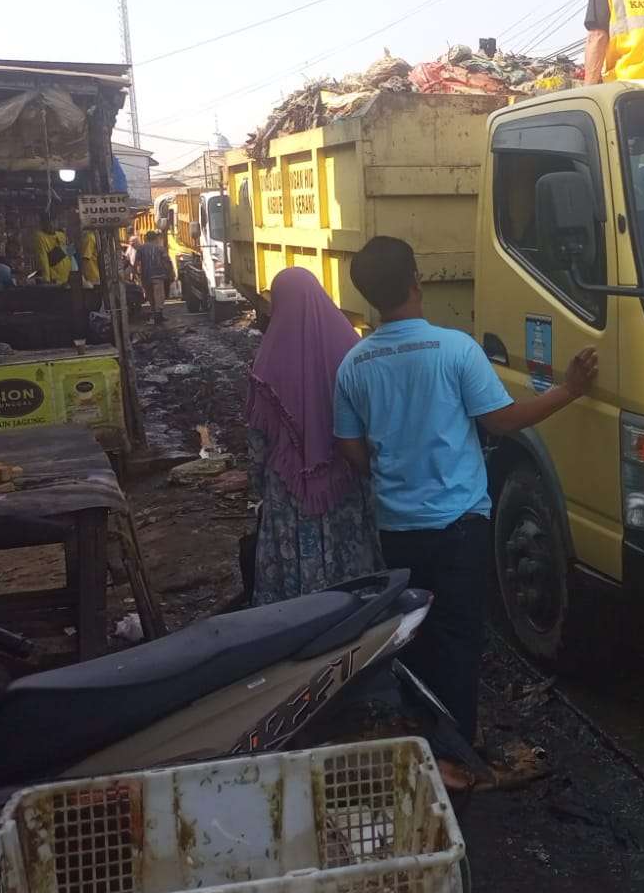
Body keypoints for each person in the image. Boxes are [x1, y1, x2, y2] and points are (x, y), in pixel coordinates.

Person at [334, 236, 597, 785]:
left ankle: (426, 738)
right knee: (458, 635)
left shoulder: (355, 364)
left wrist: (394, 474)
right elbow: (502, 421)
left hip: (396, 526)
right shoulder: (455, 350)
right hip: (458, 525)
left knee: (412, 633)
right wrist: (570, 389)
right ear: (415, 283)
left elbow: (353, 451)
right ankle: (454, 757)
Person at [245, 268, 381, 606]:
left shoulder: (266, 364)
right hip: (346, 480)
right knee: (354, 562)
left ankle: (300, 623)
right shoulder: (351, 351)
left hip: (288, 494)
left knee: (292, 583)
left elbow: (258, 443)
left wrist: (259, 486)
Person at [135, 231, 175, 323]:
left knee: (150, 295)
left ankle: (154, 312)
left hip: (146, 276)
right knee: (159, 294)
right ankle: (158, 313)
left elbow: (136, 263)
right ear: (155, 238)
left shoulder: (140, 249)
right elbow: (167, 261)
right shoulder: (160, 248)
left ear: (145, 238)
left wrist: (136, 273)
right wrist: (171, 273)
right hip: (158, 275)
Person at [32, 213, 71, 285]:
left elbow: (70, 253)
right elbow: (43, 258)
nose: (51, 225)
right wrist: (46, 279)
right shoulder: (40, 236)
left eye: (54, 222)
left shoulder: (61, 234)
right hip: (55, 278)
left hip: (68, 276)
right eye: (48, 222)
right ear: (43, 224)